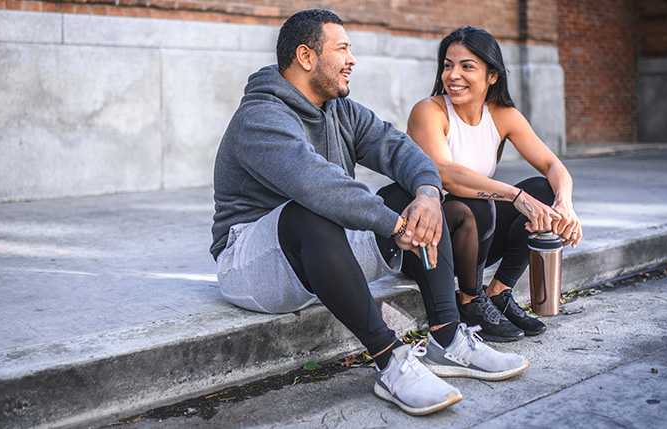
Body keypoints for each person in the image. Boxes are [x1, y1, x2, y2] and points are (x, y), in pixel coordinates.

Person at [210, 10, 527, 416]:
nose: (352, 59)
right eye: (342, 48)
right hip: (252, 265)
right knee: (313, 211)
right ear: (306, 57)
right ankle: (390, 360)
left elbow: (402, 150)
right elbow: (315, 185)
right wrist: (395, 226)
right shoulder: (261, 116)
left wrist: (428, 196)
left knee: (422, 202)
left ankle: (447, 339)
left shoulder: (340, 110)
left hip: (322, 256)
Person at [403, 26, 583, 342]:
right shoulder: (429, 111)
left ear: (492, 76)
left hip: (478, 239)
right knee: (479, 200)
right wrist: (515, 195)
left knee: (543, 190)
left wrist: (563, 203)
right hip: (425, 244)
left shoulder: (503, 115)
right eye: (448, 65)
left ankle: (498, 293)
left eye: (466, 66)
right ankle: (470, 301)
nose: (453, 75)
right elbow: (446, 174)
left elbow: (553, 165)